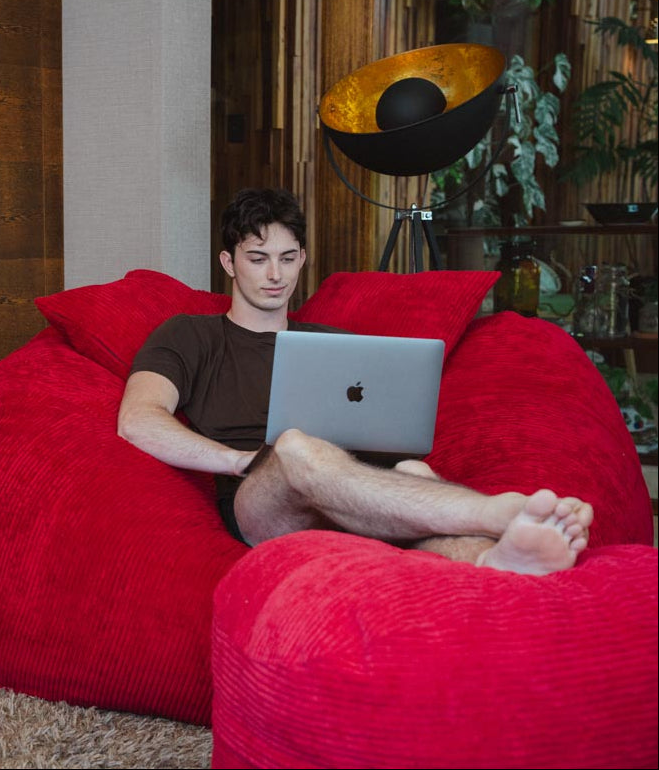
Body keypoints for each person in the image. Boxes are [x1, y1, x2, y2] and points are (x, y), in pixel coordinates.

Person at [117, 187, 593, 575]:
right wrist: (238, 460)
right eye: (258, 258)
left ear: (303, 258)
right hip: (263, 501)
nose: (275, 275)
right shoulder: (190, 334)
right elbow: (137, 419)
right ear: (228, 263)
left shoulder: (337, 343)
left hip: (353, 493)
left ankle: (494, 559)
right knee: (297, 446)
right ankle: (495, 513)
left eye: (287, 258)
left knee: (413, 473)